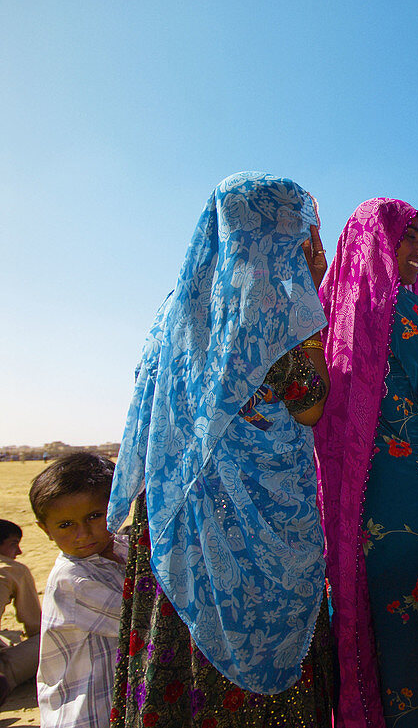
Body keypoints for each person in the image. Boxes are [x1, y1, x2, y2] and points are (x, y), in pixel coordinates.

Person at [107, 172, 334, 726]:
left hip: (175, 520)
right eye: (303, 229)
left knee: (184, 660)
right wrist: (310, 310)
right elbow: (308, 403)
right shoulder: (276, 305)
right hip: (252, 535)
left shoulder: (175, 309)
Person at [312, 198, 418, 728]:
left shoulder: (333, 315)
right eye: (408, 237)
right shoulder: (393, 311)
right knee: (415, 652)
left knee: (381, 640)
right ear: (378, 242)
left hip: (365, 516)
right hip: (412, 524)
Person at [30, 453, 127, 728]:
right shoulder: (73, 580)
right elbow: (142, 620)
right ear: (45, 530)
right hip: (85, 714)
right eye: (65, 525)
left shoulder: (123, 548)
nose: (82, 533)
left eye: (95, 516)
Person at [0, 519, 40, 706]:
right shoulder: (13, 570)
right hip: (3, 673)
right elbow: (34, 625)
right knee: (47, 642)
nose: (19, 552)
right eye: (14, 544)